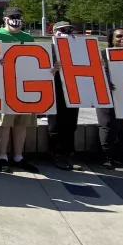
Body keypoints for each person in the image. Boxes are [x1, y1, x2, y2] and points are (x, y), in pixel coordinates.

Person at [0, 7, 40, 174]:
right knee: (3, 123)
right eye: (12, 17)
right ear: (4, 19)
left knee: (21, 123)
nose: (16, 20)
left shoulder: (28, 38)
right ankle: (2, 157)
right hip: (3, 86)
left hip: (23, 87)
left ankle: (18, 156)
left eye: (19, 17)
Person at [97, 28, 123, 169]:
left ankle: (121, 156)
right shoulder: (102, 55)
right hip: (107, 95)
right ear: (111, 40)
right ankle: (105, 157)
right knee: (108, 125)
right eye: (119, 36)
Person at [47, 21, 81, 171]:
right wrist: (53, 69)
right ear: (54, 33)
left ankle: (69, 154)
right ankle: (57, 154)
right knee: (56, 124)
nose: (66, 32)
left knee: (71, 123)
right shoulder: (49, 49)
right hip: (56, 89)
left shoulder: (79, 48)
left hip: (73, 88)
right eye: (62, 30)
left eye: (69, 30)